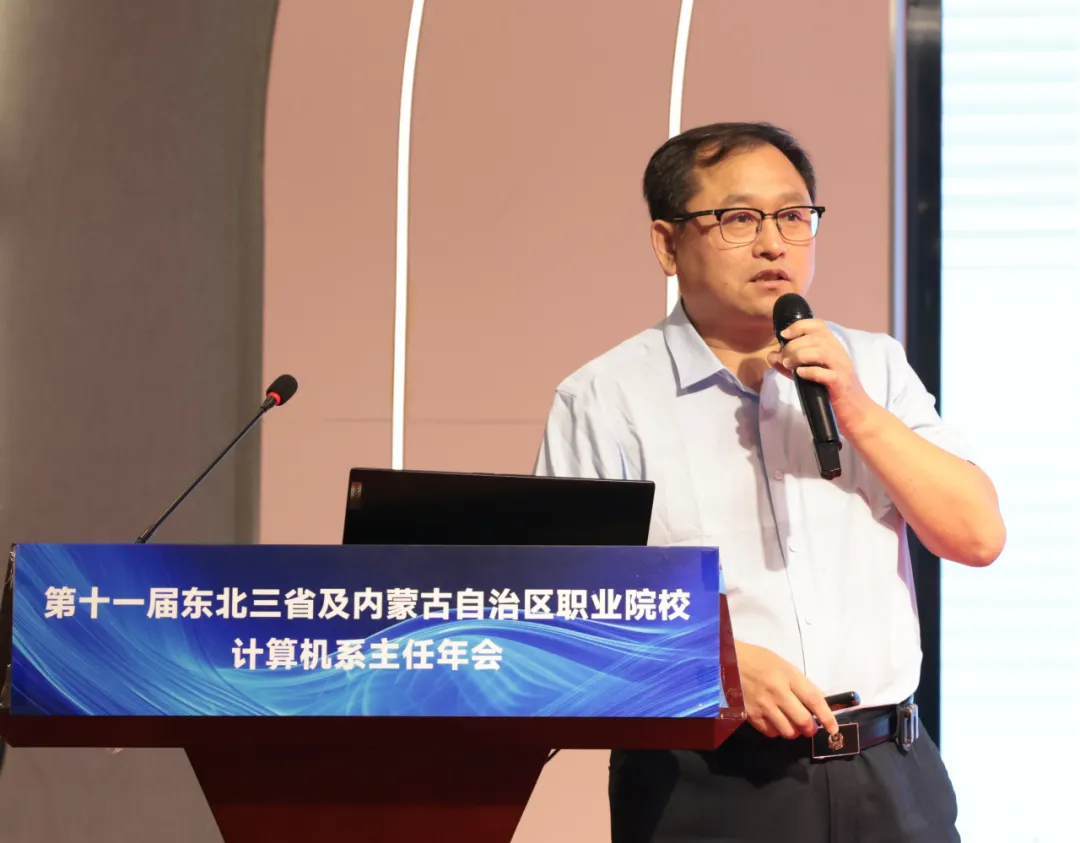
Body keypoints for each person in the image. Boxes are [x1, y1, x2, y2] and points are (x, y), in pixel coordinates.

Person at [533, 122, 1006, 843]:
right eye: (738, 219)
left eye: (793, 215)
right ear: (666, 243)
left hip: (891, 774)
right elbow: (564, 612)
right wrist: (713, 663)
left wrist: (855, 407)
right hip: (710, 782)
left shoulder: (872, 367)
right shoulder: (605, 398)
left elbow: (976, 536)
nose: (774, 243)